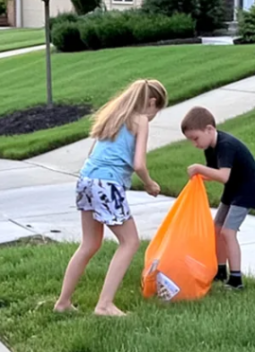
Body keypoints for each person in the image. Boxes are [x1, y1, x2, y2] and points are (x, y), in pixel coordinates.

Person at [54, 79, 169, 316]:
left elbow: (92, 152)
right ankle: (104, 305)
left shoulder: (114, 115)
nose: (154, 116)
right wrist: (149, 183)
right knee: (130, 242)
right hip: (108, 185)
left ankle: (63, 302)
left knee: (89, 243)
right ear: (152, 102)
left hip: (86, 180)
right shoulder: (141, 120)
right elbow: (138, 163)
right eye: (157, 111)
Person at [180, 106, 255, 290]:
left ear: (209, 129)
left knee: (228, 232)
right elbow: (215, 173)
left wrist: (199, 169)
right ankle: (220, 271)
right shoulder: (210, 147)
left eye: (195, 138)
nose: (195, 144)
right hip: (233, 188)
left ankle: (236, 279)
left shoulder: (226, 145)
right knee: (216, 229)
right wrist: (199, 178)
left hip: (246, 189)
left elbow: (223, 175)